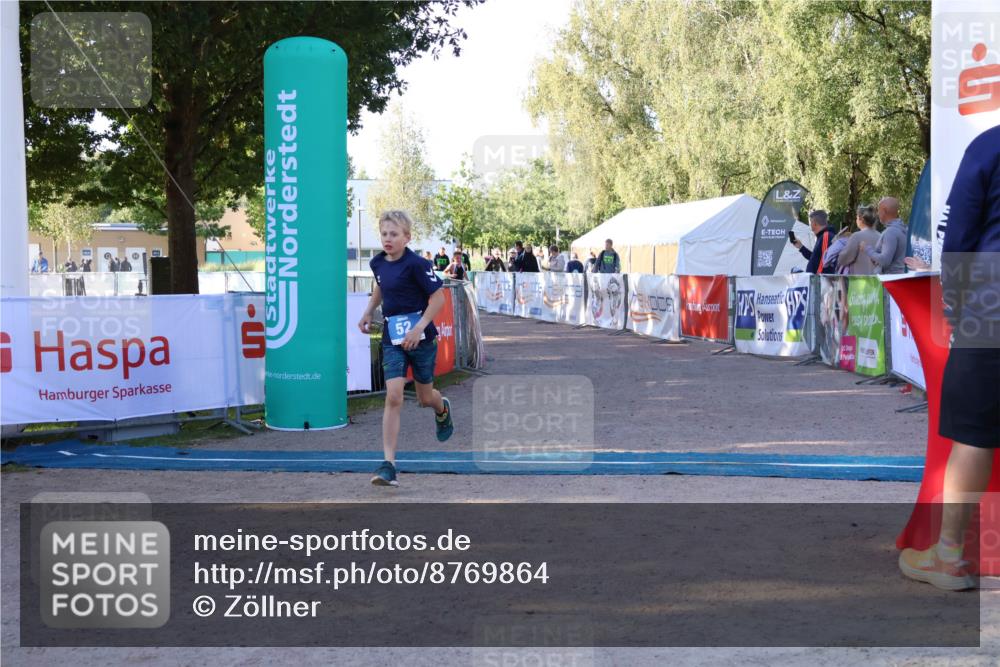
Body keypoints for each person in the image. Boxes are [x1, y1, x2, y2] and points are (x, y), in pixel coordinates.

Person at [899, 125, 1000, 591]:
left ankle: (949, 557)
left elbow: (958, 235)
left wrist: (956, 308)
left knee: (974, 435)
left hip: (991, 306)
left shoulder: (989, 145)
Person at [358, 210, 454, 487]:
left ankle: (441, 407)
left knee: (424, 398)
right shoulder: (377, 262)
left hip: (421, 338)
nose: (388, 239)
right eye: (384, 234)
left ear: (407, 237)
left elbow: (438, 299)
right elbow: (380, 287)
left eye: (394, 234)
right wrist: (368, 311)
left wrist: (419, 327)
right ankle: (388, 464)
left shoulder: (416, 264)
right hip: (392, 338)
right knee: (394, 396)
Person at [860, 197, 908, 274]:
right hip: (899, 279)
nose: (877, 214)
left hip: (891, 281)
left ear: (884, 211)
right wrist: (875, 258)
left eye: (878, 211)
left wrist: (867, 249)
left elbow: (884, 261)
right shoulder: (904, 229)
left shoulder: (890, 232)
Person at [837, 205, 882, 275]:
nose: (856, 220)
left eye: (856, 218)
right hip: (877, 281)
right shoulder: (880, 236)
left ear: (861, 219)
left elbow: (843, 259)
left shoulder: (856, 236)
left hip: (859, 281)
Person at [790, 210, 836, 274]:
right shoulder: (822, 236)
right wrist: (801, 247)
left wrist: (815, 279)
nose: (810, 224)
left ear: (815, 223)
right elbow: (815, 259)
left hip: (818, 281)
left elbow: (825, 262)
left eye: (810, 222)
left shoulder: (826, 236)